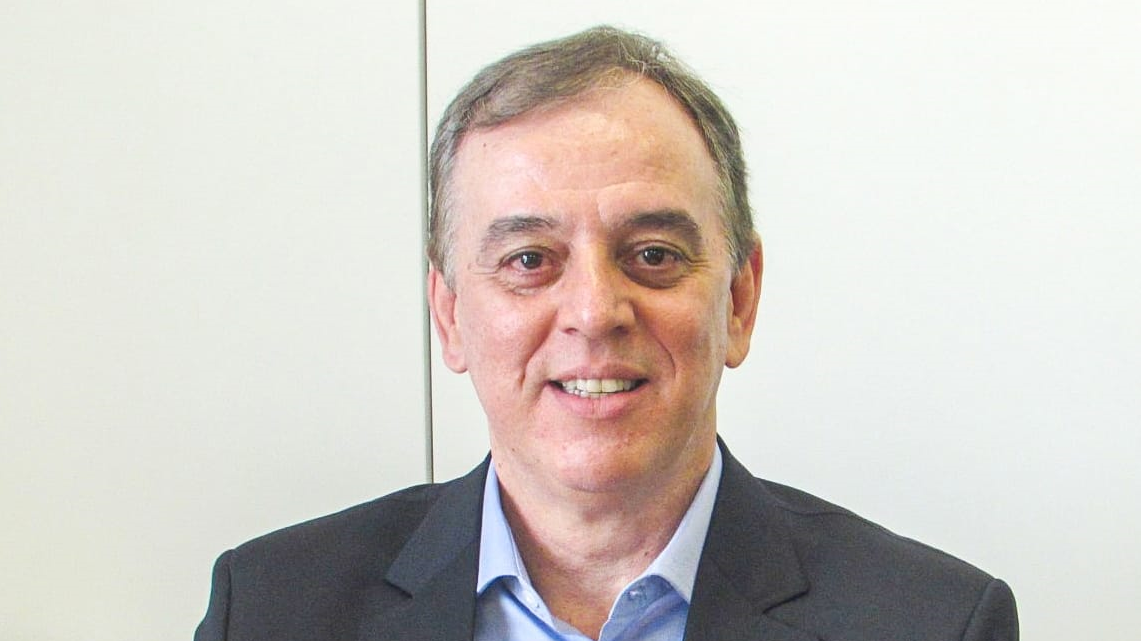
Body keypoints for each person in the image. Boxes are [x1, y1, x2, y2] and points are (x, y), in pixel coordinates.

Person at [195, 26, 1018, 641]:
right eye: (528, 259)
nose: (594, 311)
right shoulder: (271, 609)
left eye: (652, 255)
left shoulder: (933, 622)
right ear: (449, 314)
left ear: (738, 300)